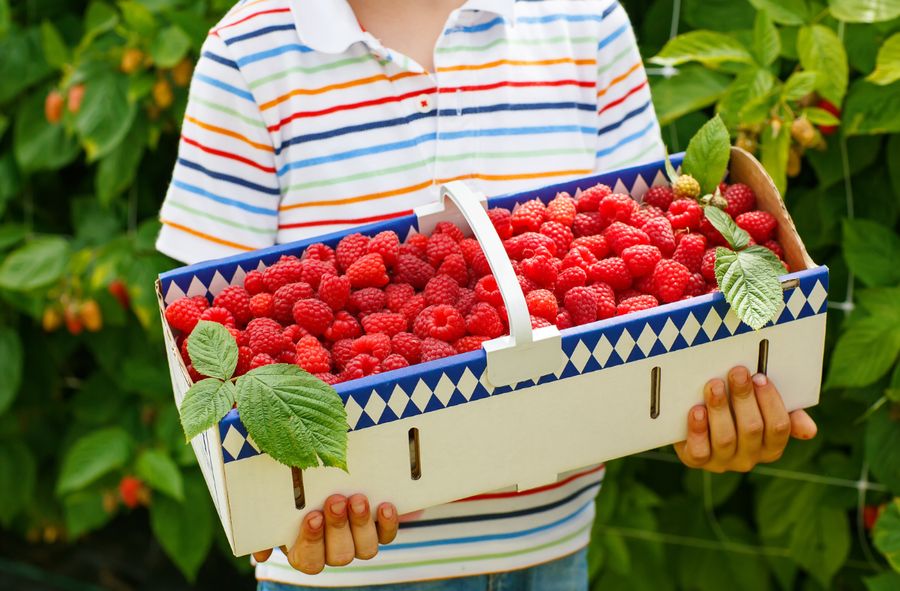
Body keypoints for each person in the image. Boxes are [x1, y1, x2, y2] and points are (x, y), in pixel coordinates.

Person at [156, 1, 819, 589]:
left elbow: (654, 256)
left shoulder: (584, 22)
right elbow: (213, 341)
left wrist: (704, 406)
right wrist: (271, 503)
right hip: (351, 576)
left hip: (548, 558)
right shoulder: (248, 52)